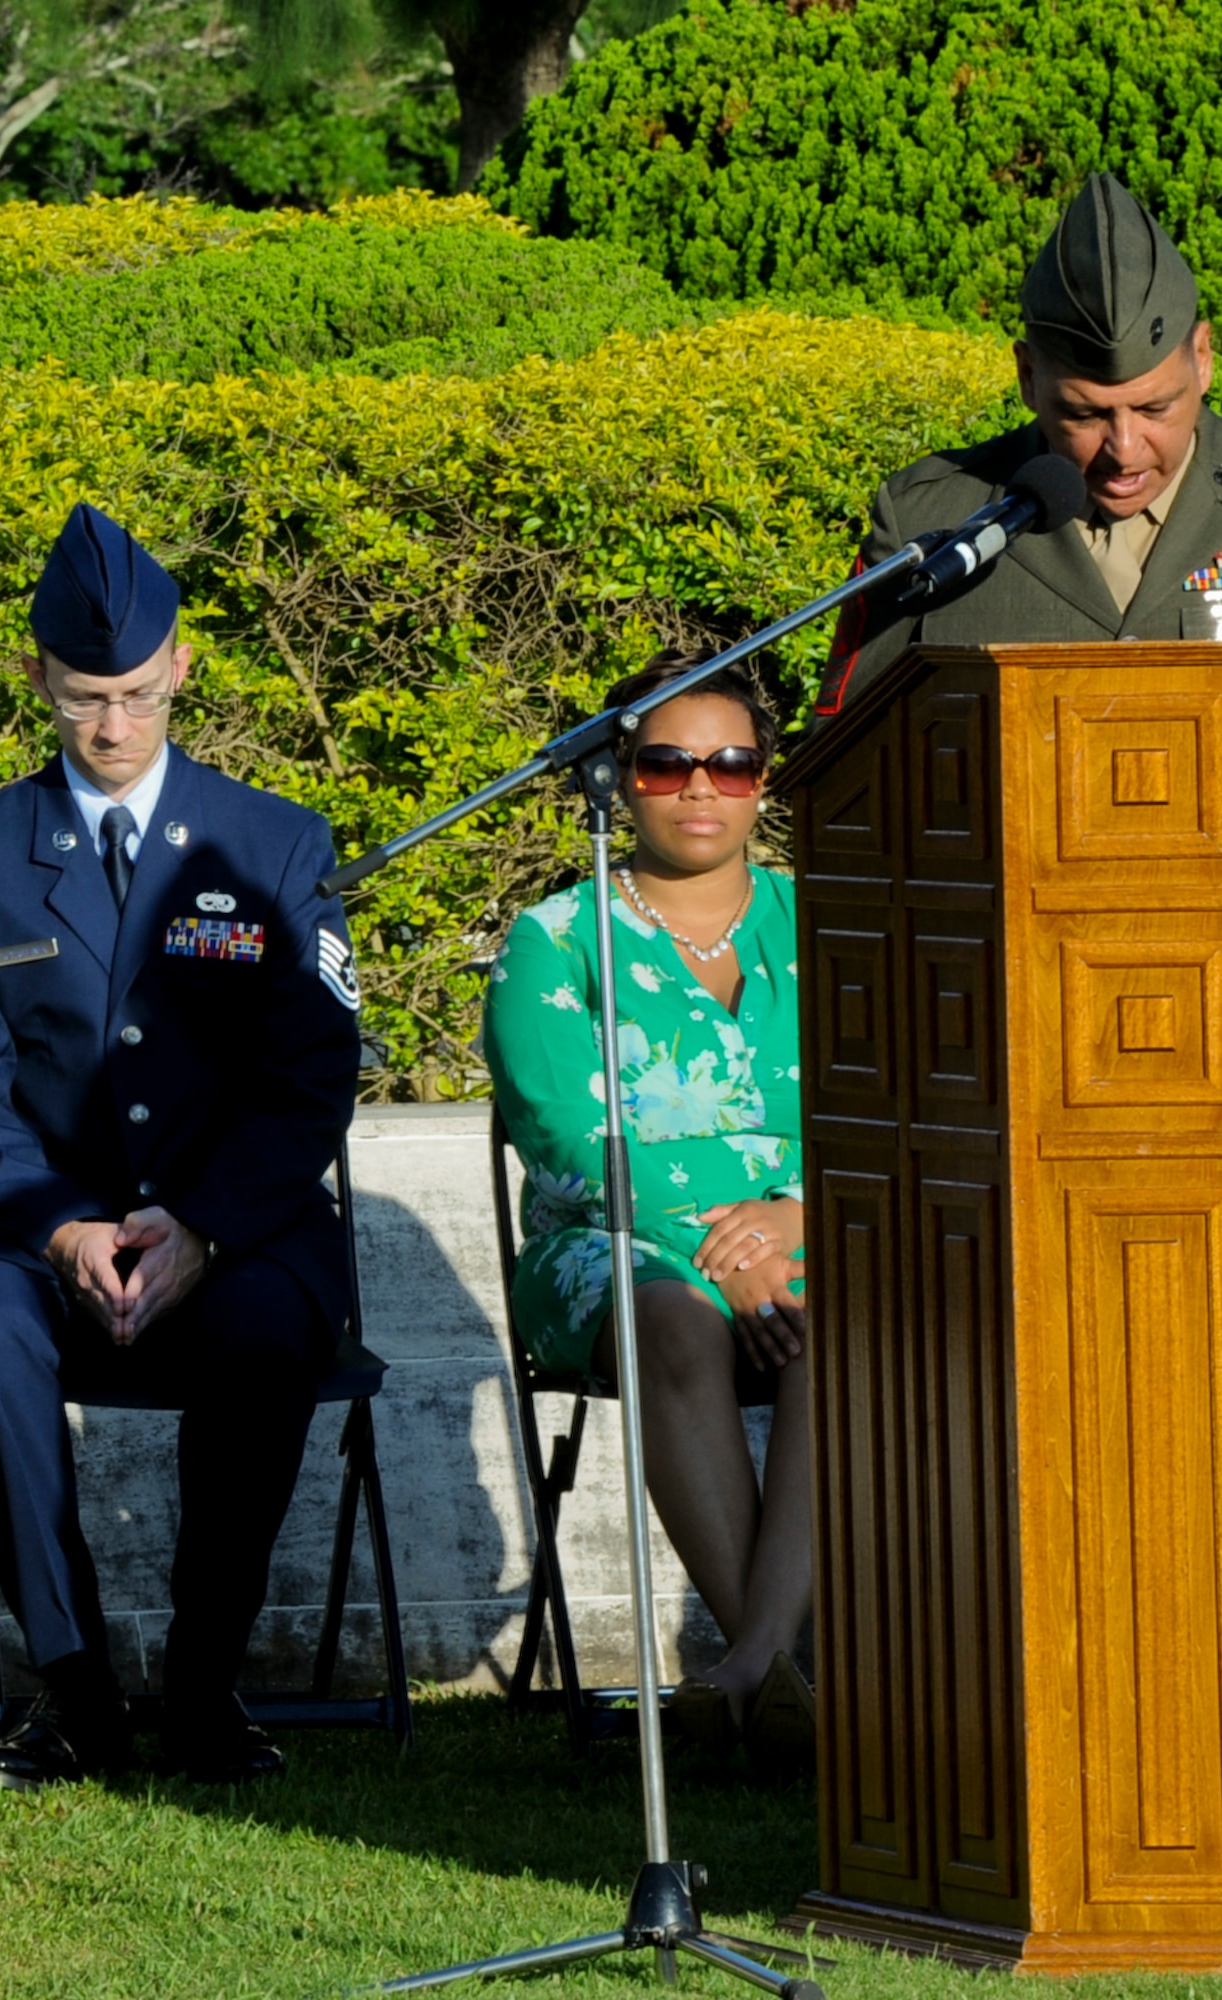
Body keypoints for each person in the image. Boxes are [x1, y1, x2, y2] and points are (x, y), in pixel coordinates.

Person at [0, 502, 362, 1792]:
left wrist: (202, 1224)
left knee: (272, 1333)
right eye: (85, 697)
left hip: (239, 1225)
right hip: (36, 1232)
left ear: (184, 669)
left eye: (139, 695)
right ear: (39, 675)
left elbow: (311, 1069)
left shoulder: (272, 843)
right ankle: (72, 1689)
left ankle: (204, 1685)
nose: (112, 728)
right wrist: (61, 1224)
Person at [481, 653, 813, 1751]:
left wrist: (799, 1218)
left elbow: (892, 1105)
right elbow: (568, 1144)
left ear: (765, 778)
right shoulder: (555, 939)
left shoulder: (832, 921)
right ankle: (778, 1681)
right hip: (608, 1244)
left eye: (731, 762)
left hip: (804, 1233)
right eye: (668, 764)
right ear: (624, 778)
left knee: (845, 1318)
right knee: (669, 1312)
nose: (701, 787)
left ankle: (754, 1667)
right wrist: (734, 1243)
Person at [813, 172, 1222, 722]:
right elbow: (843, 758)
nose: (1126, 448)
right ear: (1028, 377)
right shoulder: (930, 521)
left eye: (1156, 408)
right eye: (1084, 414)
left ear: (1204, 357)